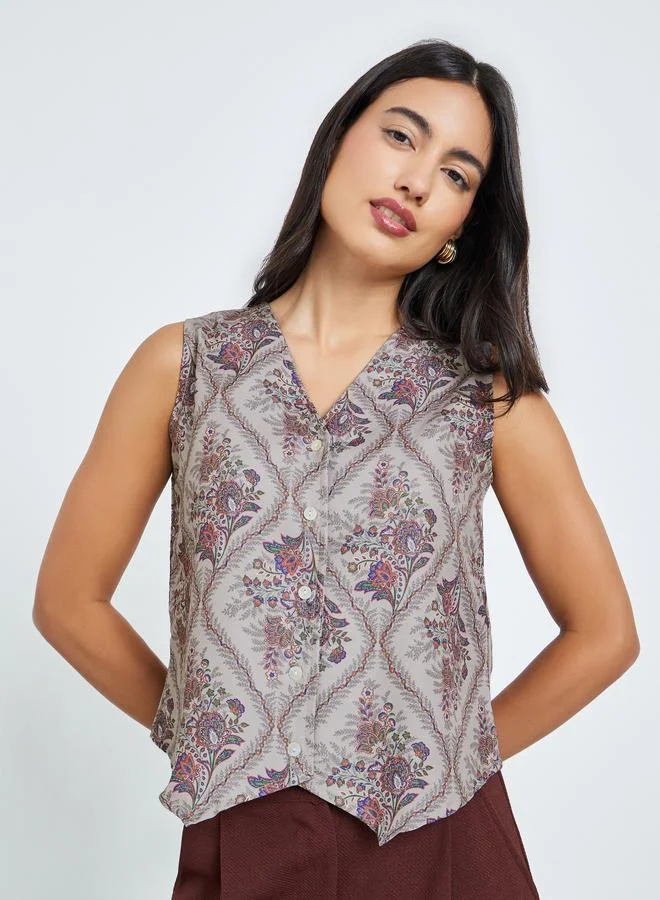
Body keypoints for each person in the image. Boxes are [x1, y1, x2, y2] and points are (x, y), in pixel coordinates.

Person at [33, 37, 640, 899]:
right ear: (340, 138)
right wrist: (209, 726)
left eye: (457, 174)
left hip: (441, 839)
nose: (418, 181)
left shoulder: (487, 400)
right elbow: (67, 602)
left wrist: (451, 751)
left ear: (461, 227)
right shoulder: (185, 367)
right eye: (401, 136)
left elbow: (606, 633)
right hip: (247, 831)